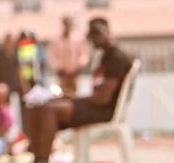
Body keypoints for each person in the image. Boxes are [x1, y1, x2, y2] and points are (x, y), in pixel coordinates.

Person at [24, 17, 133, 163]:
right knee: (39, 106)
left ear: (106, 32)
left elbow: (102, 99)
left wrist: (73, 98)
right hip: (94, 106)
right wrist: (69, 96)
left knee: (49, 110)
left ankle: (41, 159)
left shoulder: (116, 58)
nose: (92, 40)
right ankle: (37, 155)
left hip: (104, 112)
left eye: (95, 35)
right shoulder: (105, 56)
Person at [47, 16, 89, 95]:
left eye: (69, 24)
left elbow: (83, 55)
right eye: (65, 24)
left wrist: (77, 67)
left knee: (75, 94)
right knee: (62, 94)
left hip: (75, 73)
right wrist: (60, 68)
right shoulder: (56, 41)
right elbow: (52, 56)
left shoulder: (78, 39)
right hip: (62, 74)